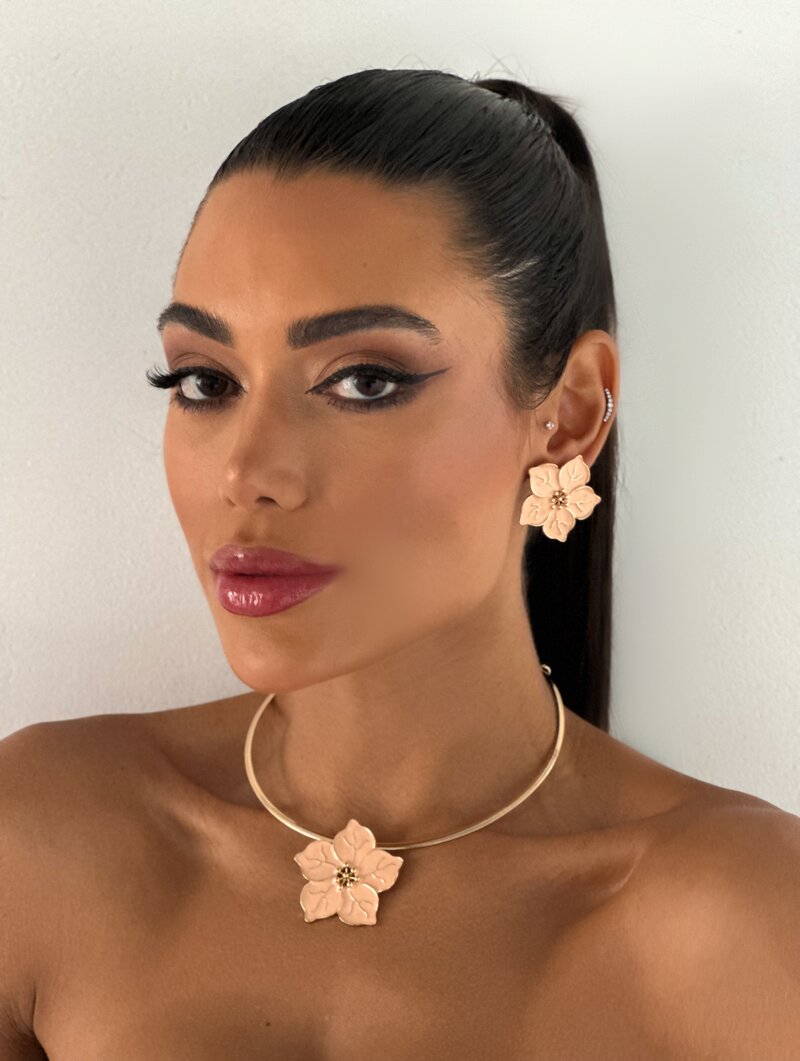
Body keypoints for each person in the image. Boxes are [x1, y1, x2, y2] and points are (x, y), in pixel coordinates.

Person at [2, 67, 798, 1059]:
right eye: (205, 380)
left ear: (566, 416)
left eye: (364, 381)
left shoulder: (744, 920)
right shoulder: (42, 834)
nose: (248, 472)